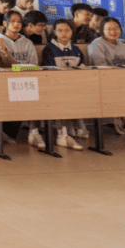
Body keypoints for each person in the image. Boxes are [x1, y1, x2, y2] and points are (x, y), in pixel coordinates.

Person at [40, 19, 87, 150]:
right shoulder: (49, 49)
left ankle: (76, 127)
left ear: (72, 31)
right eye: (60, 30)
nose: (64, 33)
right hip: (55, 86)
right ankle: (62, 133)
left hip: (74, 85)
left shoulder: (76, 49)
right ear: (54, 32)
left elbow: (81, 68)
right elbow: (50, 71)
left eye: (67, 30)